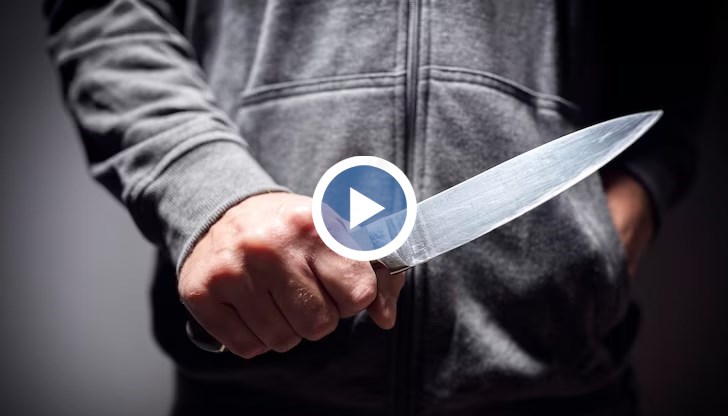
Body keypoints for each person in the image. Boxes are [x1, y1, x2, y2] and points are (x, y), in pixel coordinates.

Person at [44, 0, 707, 414]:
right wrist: (209, 187)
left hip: (563, 384)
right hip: (256, 389)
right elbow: (106, 12)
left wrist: (634, 202)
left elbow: (679, 43)